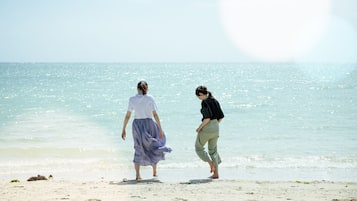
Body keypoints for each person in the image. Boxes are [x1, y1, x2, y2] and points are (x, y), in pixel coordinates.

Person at [121, 81, 172, 180]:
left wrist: (123, 129)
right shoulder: (150, 98)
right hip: (149, 124)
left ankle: (137, 175)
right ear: (147, 88)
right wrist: (160, 129)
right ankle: (154, 172)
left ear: (137, 88)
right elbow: (155, 115)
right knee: (153, 145)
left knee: (138, 147)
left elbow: (128, 115)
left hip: (137, 125)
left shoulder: (132, 99)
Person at [195, 85, 224, 179]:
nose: (199, 98)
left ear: (201, 94)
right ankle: (216, 174)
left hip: (207, 127)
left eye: (199, 96)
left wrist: (199, 128)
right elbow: (221, 116)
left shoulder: (205, 102)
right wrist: (215, 125)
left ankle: (210, 163)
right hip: (216, 127)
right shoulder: (214, 100)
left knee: (198, 147)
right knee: (213, 151)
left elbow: (207, 118)